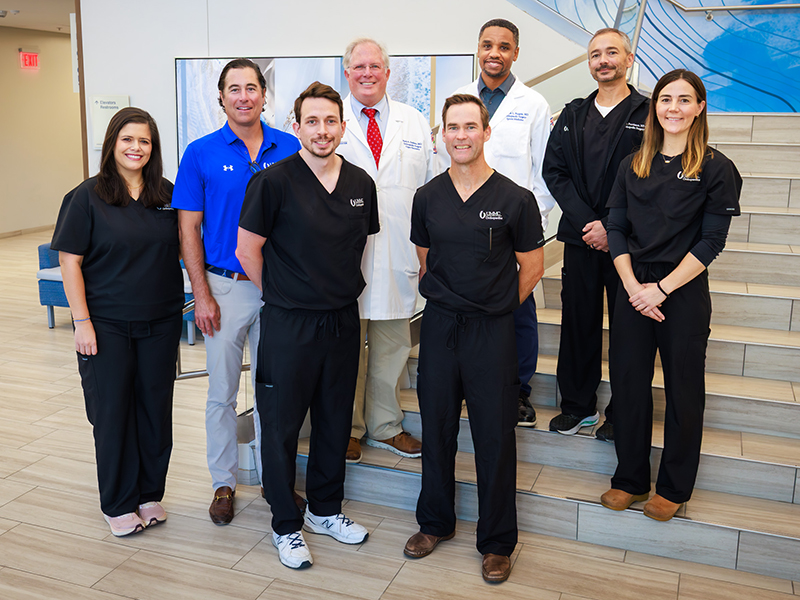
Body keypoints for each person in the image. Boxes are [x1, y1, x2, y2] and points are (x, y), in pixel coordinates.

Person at [237, 82, 378, 569]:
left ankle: (324, 510)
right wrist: (284, 294)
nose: (322, 130)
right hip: (288, 324)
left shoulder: (361, 184)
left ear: (343, 126)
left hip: (341, 321)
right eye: (312, 121)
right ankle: (284, 524)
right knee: (279, 426)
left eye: (331, 121)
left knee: (336, 420)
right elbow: (246, 251)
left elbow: (361, 247)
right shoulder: (272, 182)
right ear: (295, 127)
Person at [405, 94, 544, 583]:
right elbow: (425, 259)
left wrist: (498, 307)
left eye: (470, 126)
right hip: (441, 327)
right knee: (437, 427)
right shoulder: (428, 197)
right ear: (443, 136)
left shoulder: (515, 199)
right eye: (452, 128)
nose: (461, 136)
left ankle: (497, 541)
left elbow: (532, 267)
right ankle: (435, 522)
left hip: (493, 332)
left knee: (494, 436)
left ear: (487, 133)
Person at [601, 69, 741, 522]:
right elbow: (616, 229)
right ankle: (630, 480)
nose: (673, 108)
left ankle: (675, 487)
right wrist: (632, 287)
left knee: (683, 389)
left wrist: (660, 289)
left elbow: (711, 242)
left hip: (680, 289)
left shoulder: (717, 168)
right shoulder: (633, 164)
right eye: (665, 99)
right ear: (654, 106)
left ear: (700, 107)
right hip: (631, 285)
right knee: (628, 385)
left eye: (684, 99)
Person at [172, 58, 301, 525]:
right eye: (234, 89)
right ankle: (223, 484)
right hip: (225, 287)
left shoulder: (290, 147)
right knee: (222, 393)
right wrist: (200, 293)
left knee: (275, 392)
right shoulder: (201, 153)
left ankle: (274, 481)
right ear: (221, 98)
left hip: (280, 289)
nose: (243, 96)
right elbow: (188, 228)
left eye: (251, 87)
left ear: (265, 95)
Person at [52, 107, 183, 537]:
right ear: (112, 144)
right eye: (128, 139)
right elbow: (69, 261)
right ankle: (118, 501)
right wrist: (81, 322)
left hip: (160, 323)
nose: (136, 148)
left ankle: (148, 494)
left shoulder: (165, 193)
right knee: (112, 415)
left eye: (144, 141)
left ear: (153, 148)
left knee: (154, 412)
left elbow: (184, 248)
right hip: (106, 325)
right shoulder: (86, 196)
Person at [438, 18, 554, 426]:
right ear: (478, 49)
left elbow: (545, 169)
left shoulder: (534, 104)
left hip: (514, 227)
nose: (494, 53)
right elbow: (446, 158)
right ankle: (468, 383)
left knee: (518, 311)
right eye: (487, 45)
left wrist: (531, 222)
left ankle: (519, 390)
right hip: (464, 225)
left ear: (515, 53)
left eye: (504, 47)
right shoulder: (460, 97)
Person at [543, 28, 649, 441]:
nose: (603, 60)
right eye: (595, 55)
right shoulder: (572, 114)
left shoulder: (648, 111)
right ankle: (577, 407)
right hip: (581, 238)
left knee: (628, 331)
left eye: (611, 53)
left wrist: (612, 225)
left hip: (631, 242)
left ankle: (622, 413)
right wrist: (590, 223)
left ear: (628, 58)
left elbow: (650, 175)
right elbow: (555, 171)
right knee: (578, 323)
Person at [338, 38, 437, 464]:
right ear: (347, 73)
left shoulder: (413, 121)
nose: (367, 73)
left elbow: (432, 191)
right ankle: (347, 428)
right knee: (346, 349)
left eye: (374, 66)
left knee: (393, 345)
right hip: (344, 255)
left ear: (387, 73)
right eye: (358, 66)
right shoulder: (331, 118)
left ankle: (385, 425)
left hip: (400, 251)